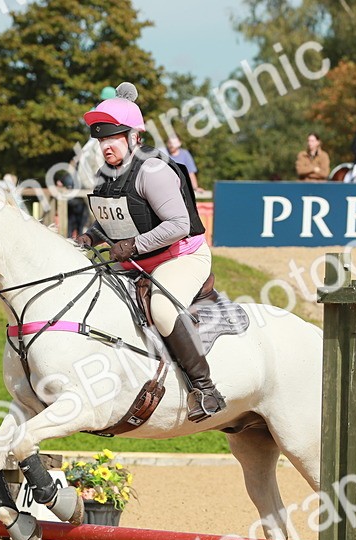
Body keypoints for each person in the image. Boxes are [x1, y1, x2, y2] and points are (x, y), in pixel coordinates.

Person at [75, 83, 224, 422]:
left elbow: (178, 225)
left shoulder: (153, 171)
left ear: (134, 138)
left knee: (161, 306)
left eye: (113, 138)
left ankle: (205, 389)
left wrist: (133, 246)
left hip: (181, 257)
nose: (106, 146)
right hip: (137, 261)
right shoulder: (106, 176)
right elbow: (118, 222)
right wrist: (89, 238)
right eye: (101, 140)